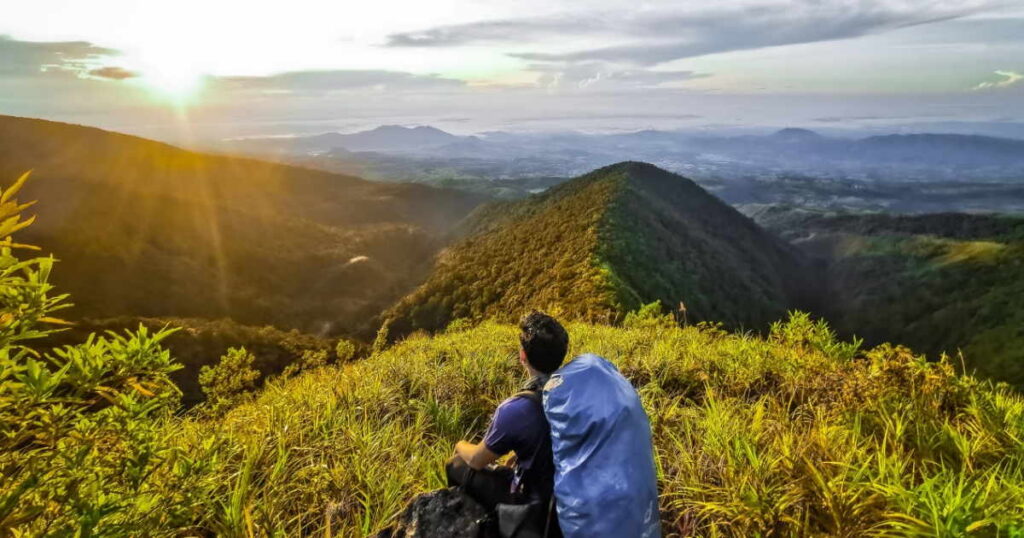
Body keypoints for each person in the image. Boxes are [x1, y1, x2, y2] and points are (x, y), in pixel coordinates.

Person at [446, 311, 567, 537]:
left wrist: (460, 444)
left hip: (536, 506)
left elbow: (477, 461)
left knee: (455, 464)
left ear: (523, 355)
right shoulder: (576, 392)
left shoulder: (516, 409)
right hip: (570, 497)